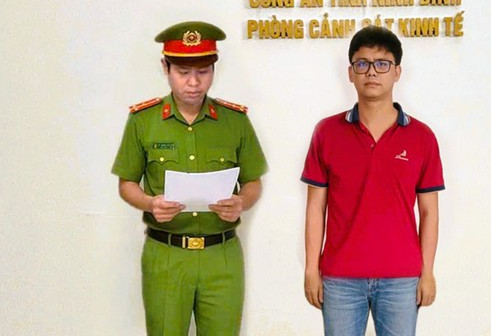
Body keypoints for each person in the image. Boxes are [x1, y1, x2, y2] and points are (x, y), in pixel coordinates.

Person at [112, 21, 268, 335]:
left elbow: (253, 181)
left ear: (214, 69)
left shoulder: (234, 121)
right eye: (183, 72)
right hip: (166, 256)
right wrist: (150, 203)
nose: (194, 83)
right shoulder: (143, 121)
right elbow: (126, 183)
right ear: (165, 68)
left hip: (221, 256)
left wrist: (241, 202)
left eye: (204, 72)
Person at [301, 25, 445, 336]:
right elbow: (315, 208)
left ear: (397, 72)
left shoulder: (422, 137)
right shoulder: (327, 132)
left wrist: (428, 272)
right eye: (362, 63)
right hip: (340, 277)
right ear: (350, 73)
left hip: (402, 278)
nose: (371, 72)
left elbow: (429, 212)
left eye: (382, 64)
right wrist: (311, 269)